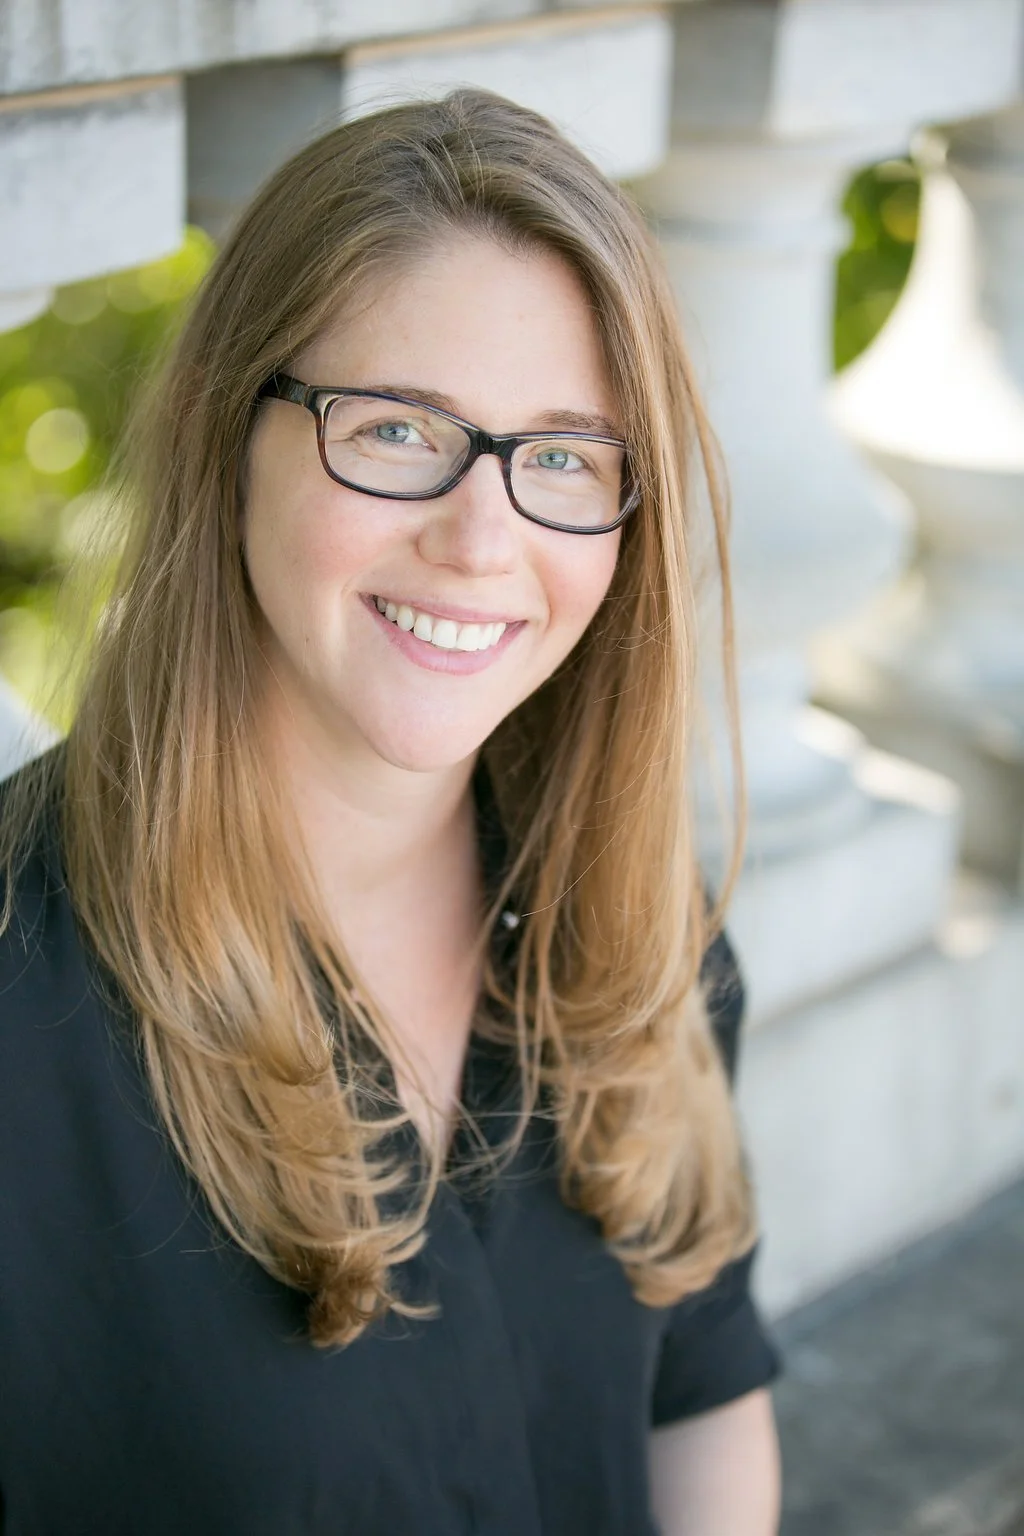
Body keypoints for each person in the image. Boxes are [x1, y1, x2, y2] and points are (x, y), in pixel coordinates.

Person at [0, 89, 781, 1534]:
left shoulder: (629, 915)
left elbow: (701, 1396)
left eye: (562, 457)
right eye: (397, 428)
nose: (481, 539)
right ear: (229, 429)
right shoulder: (20, 996)